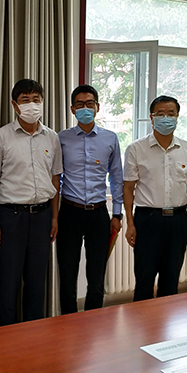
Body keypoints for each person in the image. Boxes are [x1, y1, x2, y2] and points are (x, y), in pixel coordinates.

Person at [0, 79, 63, 325]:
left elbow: (55, 178)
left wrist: (54, 217)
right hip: (11, 218)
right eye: (25, 100)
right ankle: (7, 336)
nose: (32, 105)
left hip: (42, 216)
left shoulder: (52, 137)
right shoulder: (1, 137)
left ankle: (34, 335)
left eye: (36, 99)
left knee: (37, 281)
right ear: (14, 104)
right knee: (9, 282)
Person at [123, 96, 187, 301]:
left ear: (177, 117)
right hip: (147, 220)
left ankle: (166, 322)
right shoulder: (136, 148)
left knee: (171, 280)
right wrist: (130, 224)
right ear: (151, 118)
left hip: (178, 221)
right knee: (144, 279)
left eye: (171, 114)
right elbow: (128, 188)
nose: (166, 118)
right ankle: (142, 321)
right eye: (160, 114)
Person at [57, 85, 123, 313]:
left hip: (98, 214)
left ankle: (94, 322)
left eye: (89, 103)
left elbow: (117, 178)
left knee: (96, 276)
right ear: (72, 109)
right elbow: (55, 177)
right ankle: (67, 322)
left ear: (97, 107)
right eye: (80, 104)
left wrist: (117, 214)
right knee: (67, 274)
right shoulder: (61, 138)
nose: (85, 108)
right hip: (69, 212)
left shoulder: (110, 138)